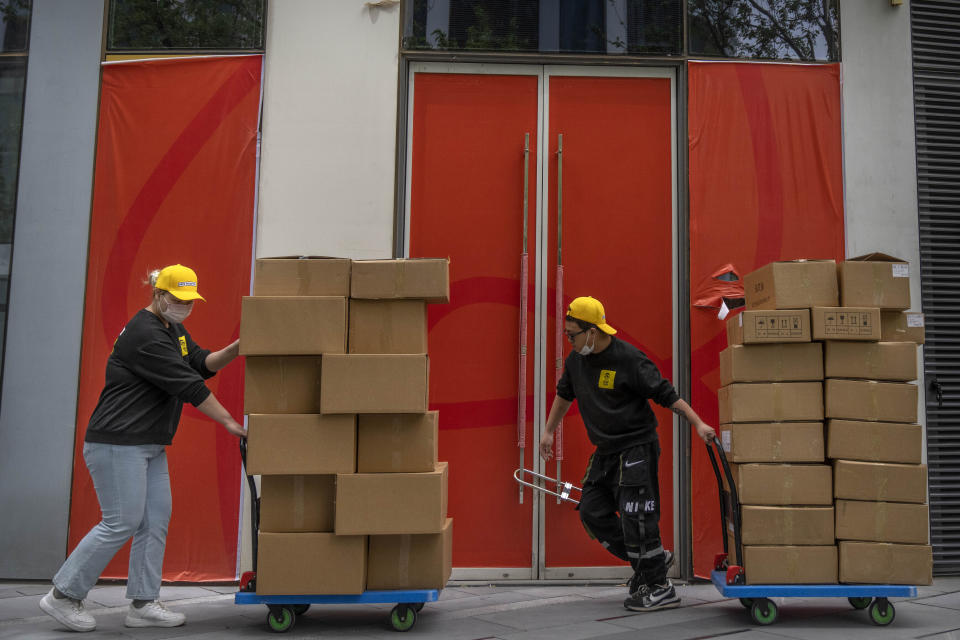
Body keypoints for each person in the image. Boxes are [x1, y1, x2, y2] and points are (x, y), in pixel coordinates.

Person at [39, 264, 246, 632]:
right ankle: (62, 595)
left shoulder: (172, 328)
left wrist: (238, 347)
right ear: (158, 295)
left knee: (154, 520)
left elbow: (200, 364)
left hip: (147, 443)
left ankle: (143, 604)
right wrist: (230, 423)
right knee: (121, 521)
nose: (185, 306)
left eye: (190, 301)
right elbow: (188, 385)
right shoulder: (145, 333)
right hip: (118, 441)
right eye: (178, 299)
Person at [539, 296, 715, 612]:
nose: (569, 340)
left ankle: (660, 586)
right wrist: (549, 430)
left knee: (638, 518)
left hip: (636, 448)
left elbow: (667, 395)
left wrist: (698, 424)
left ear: (592, 331)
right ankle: (654, 562)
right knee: (591, 511)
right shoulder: (576, 360)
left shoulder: (629, 359)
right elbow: (565, 395)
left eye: (572, 334)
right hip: (606, 451)